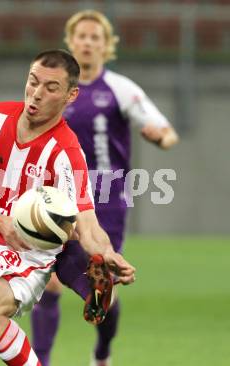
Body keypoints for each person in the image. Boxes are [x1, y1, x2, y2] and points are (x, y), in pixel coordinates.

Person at [0, 49, 136, 366]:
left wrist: (108, 252)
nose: (36, 94)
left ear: (71, 95)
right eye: (33, 82)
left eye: (51, 88)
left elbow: (86, 221)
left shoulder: (67, 154)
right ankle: (85, 282)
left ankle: (87, 279)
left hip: (26, 253)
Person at [30, 10, 179, 366]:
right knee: (48, 282)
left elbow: (166, 130)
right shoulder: (54, 88)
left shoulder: (120, 89)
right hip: (58, 198)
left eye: (95, 37)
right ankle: (42, 361)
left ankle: (102, 351)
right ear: (71, 41)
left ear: (106, 46)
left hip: (106, 200)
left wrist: (161, 138)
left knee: (102, 285)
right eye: (81, 35)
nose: (87, 42)